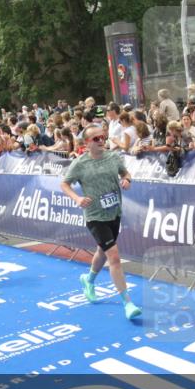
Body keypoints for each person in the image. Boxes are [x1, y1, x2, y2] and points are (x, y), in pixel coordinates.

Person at [60, 125, 141, 320]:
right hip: (95, 215)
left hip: (114, 213)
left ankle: (88, 280)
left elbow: (125, 173)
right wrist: (77, 199)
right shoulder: (80, 163)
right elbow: (64, 183)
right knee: (113, 256)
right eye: (96, 139)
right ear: (86, 143)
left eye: (102, 137)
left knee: (102, 251)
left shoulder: (113, 157)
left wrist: (127, 180)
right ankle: (127, 303)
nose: (101, 141)